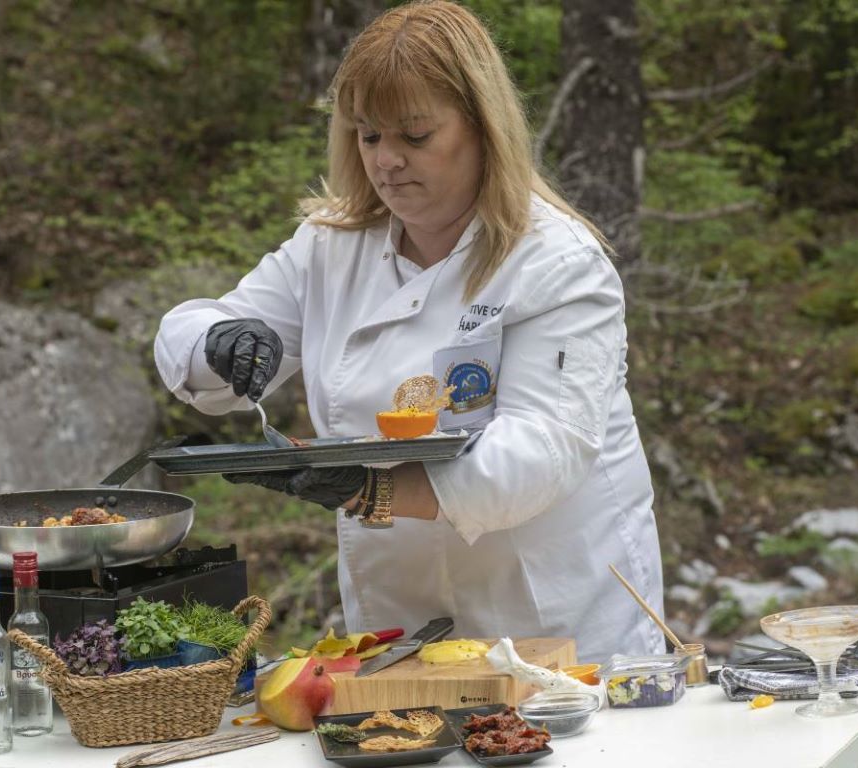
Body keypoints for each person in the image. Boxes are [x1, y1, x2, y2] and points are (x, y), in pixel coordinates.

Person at [154, 0, 664, 663]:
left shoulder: (557, 263)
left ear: (483, 128)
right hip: (401, 621)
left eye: (415, 136)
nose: (387, 161)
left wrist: (374, 489)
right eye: (369, 136)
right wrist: (220, 344)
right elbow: (193, 337)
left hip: (555, 621)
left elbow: (542, 452)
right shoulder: (332, 247)